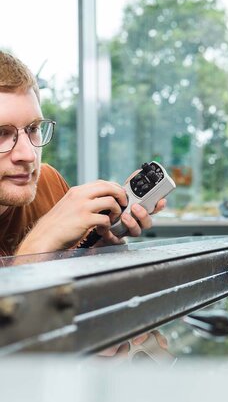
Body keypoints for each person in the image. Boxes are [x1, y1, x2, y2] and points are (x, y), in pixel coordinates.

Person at [0, 51, 166, 259]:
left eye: (33, 128)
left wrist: (95, 250)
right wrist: (39, 244)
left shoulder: (47, 182)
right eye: (2, 133)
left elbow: (63, 283)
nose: (29, 155)